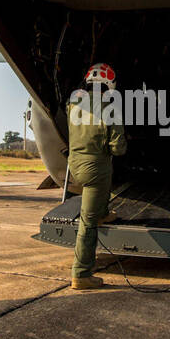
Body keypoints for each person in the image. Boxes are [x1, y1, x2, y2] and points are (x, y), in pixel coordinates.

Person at [66, 62, 126, 289]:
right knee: (87, 223)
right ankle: (81, 274)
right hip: (95, 170)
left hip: (74, 167)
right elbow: (118, 149)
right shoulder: (111, 107)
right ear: (110, 85)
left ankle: (102, 212)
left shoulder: (72, 105)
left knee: (95, 205)